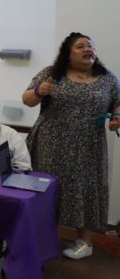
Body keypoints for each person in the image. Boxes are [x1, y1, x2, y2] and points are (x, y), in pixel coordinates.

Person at [22, 32, 120, 260]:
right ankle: (43, 237)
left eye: (90, 46)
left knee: (86, 188)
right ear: (68, 53)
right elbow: (27, 99)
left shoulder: (107, 78)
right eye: (80, 46)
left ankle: (85, 242)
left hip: (90, 146)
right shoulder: (51, 73)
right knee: (49, 189)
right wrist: (39, 91)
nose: (88, 49)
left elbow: (117, 103)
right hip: (52, 144)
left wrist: (117, 117)